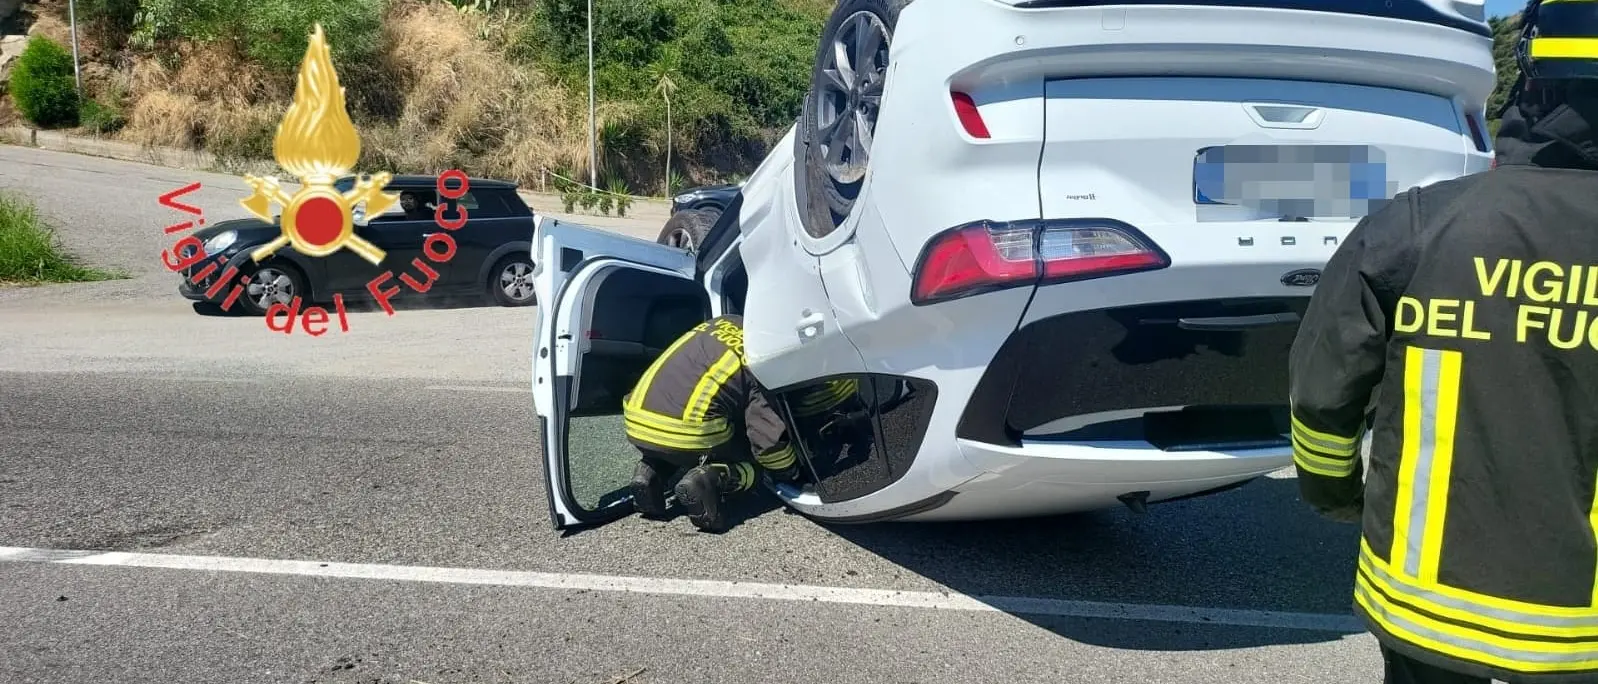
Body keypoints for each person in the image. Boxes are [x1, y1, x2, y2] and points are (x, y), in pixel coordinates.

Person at [1287, 2, 1598, 681]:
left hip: (1426, 606)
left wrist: (1334, 491)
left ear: (1529, 83)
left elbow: (1322, 391)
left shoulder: (1422, 225)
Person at [623, 314, 802, 533]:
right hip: (690, 430)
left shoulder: (723, 322)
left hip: (636, 417)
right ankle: (713, 478)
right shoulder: (764, 353)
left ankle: (650, 472)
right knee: (754, 460)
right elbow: (767, 441)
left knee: (674, 443)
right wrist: (788, 471)